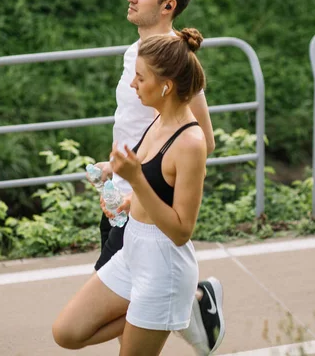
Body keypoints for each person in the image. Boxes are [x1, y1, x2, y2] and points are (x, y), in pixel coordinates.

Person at [53, 27, 214, 355]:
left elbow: (182, 230)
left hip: (163, 265)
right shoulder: (157, 120)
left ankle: (175, 309)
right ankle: (181, 312)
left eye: (140, 78)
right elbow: (155, 184)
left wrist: (136, 180)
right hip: (133, 249)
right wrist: (126, 199)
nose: (132, 85)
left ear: (166, 86)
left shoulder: (190, 143)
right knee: (67, 332)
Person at [92, 0, 223, 354]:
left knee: (129, 334)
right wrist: (113, 168)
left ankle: (194, 301)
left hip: (145, 206)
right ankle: (194, 302)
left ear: (168, 6)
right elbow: (136, 126)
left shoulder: (173, 59)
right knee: (128, 332)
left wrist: (145, 181)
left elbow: (203, 139)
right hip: (120, 196)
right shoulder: (136, 51)